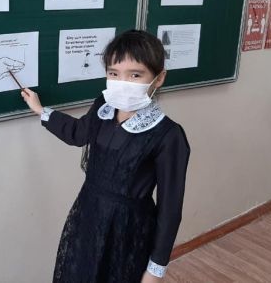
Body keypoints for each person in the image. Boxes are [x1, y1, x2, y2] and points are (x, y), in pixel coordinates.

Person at [21, 29, 190, 282]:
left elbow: (170, 210)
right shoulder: (104, 105)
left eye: (135, 75)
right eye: (114, 73)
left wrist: (155, 270)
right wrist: (41, 110)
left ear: (159, 78)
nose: (122, 82)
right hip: (88, 215)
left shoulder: (168, 135)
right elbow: (78, 133)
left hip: (128, 229)